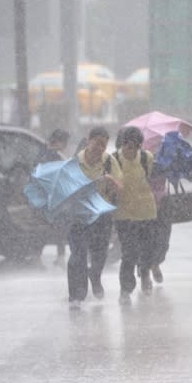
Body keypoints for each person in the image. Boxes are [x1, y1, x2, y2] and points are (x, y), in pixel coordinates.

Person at [67, 126, 122, 309]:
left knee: (100, 254)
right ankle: (76, 295)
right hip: (79, 216)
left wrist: (112, 182)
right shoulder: (75, 162)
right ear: (88, 140)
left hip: (102, 215)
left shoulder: (109, 162)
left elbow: (120, 188)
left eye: (103, 145)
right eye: (97, 144)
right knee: (78, 255)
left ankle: (95, 277)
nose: (100, 149)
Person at [112, 126, 160, 305]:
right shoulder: (114, 159)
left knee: (147, 249)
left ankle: (145, 272)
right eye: (126, 146)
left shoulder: (147, 158)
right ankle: (125, 289)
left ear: (139, 146)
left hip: (146, 211)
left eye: (134, 146)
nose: (129, 150)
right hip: (123, 215)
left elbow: (154, 181)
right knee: (129, 253)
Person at [37, 129, 70, 266]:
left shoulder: (43, 153)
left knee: (49, 228)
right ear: (60, 143)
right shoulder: (53, 156)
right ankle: (59, 256)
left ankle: (38, 255)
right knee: (57, 228)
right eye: (65, 143)